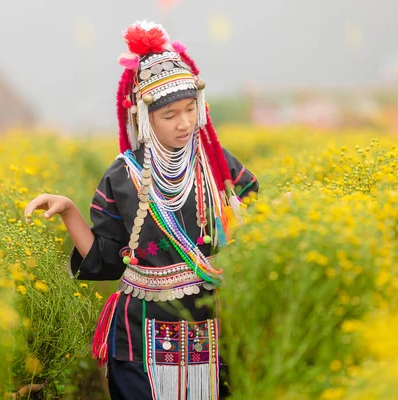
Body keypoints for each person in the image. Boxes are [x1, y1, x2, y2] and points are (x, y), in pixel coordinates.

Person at [24, 21, 258, 400]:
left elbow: (255, 218)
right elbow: (106, 260)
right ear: (142, 119)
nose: (184, 123)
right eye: (170, 116)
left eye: (190, 109)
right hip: (137, 334)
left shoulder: (216, 165)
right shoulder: (124, 175)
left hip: (209, 326)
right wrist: (69, 211)